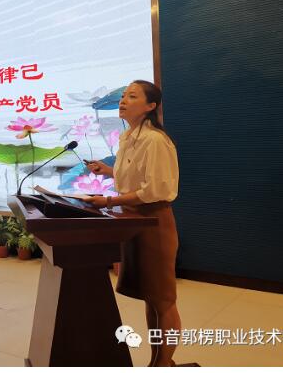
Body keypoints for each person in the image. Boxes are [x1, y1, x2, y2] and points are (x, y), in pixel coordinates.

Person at [83, 80, 181, 367]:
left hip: (154, 221)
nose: (123, 100)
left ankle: (163, 363)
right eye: (124, 95)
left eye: (132, 96)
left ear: (151, 106)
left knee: (163, 299)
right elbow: (138, 178)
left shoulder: (155, 140)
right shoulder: (128, 137)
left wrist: (109, 201)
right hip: (132, 220)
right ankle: (160, 361)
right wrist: (109, 171)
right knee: (150, 297)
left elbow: (156, 190)